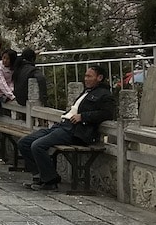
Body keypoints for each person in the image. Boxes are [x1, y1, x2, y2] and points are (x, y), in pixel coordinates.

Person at [18, 64, 115, 192]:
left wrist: (83, 117)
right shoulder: (86, 92)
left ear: (100, 77)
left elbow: (107, 113)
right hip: (62, 125)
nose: (86, 79)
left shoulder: (105, 95)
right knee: (24, 143)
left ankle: (50, 181)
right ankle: (39, 176)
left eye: (89, 76)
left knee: (38, 146)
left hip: (75, 131)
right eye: (85, 76)